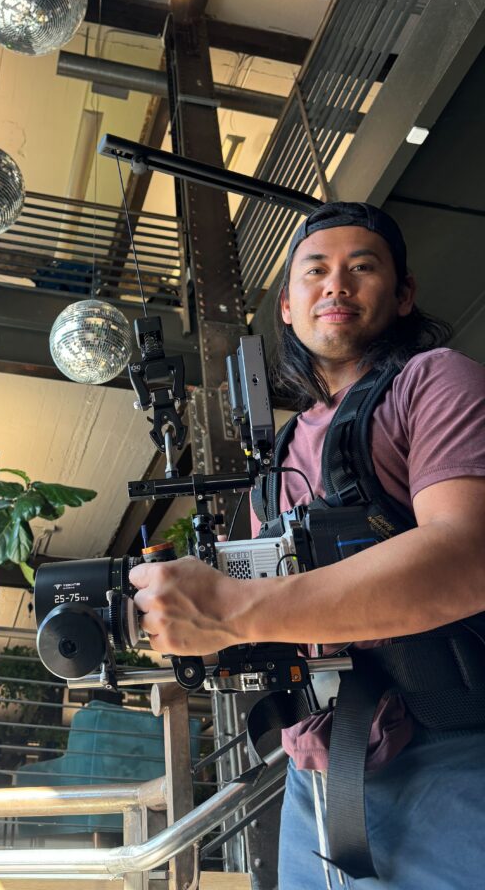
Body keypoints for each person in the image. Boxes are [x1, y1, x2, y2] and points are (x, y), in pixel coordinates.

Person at [128, 202, 485, 890]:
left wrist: (236, 611)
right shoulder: (280, 451)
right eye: (314, 271)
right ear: (288, 307)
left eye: (363, 267)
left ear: (404, 294)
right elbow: (275, 609)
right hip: (312, 778)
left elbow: (465, 556)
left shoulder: (435, 380)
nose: (336, 285)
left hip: (450, 754)